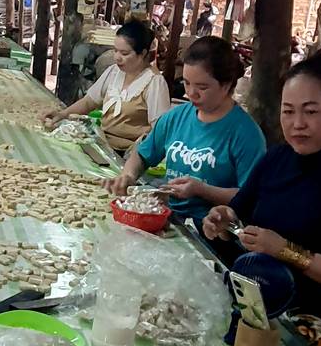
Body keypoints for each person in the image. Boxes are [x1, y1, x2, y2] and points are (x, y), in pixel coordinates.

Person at [203, 52, 321, 346]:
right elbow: (237, 213)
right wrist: (223, 221)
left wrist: (285, 250)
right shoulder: (276, 159)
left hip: (315, 317)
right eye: (288, 111)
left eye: (310, 112)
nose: (297, 124)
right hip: (254, 297)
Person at [108, 36, 266, 228]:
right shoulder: (177, 117)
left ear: (226, 85)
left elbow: (250, 196)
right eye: (187, 83)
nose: (191, 93)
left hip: (210, 231)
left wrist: (202, 190)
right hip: (167, 218)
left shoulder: (245, 134)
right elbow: (142, 154)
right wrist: (129, 176)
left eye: (202, 87)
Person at [42, 21, 170, 152]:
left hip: (128, 152)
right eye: (115, 51)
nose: (117, 57)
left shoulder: (154, 83)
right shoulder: (114, 72)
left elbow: (159, 130)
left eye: (124, 53)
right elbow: (89, 102)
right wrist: (62, 114)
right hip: (102, 143)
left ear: (142, 53)